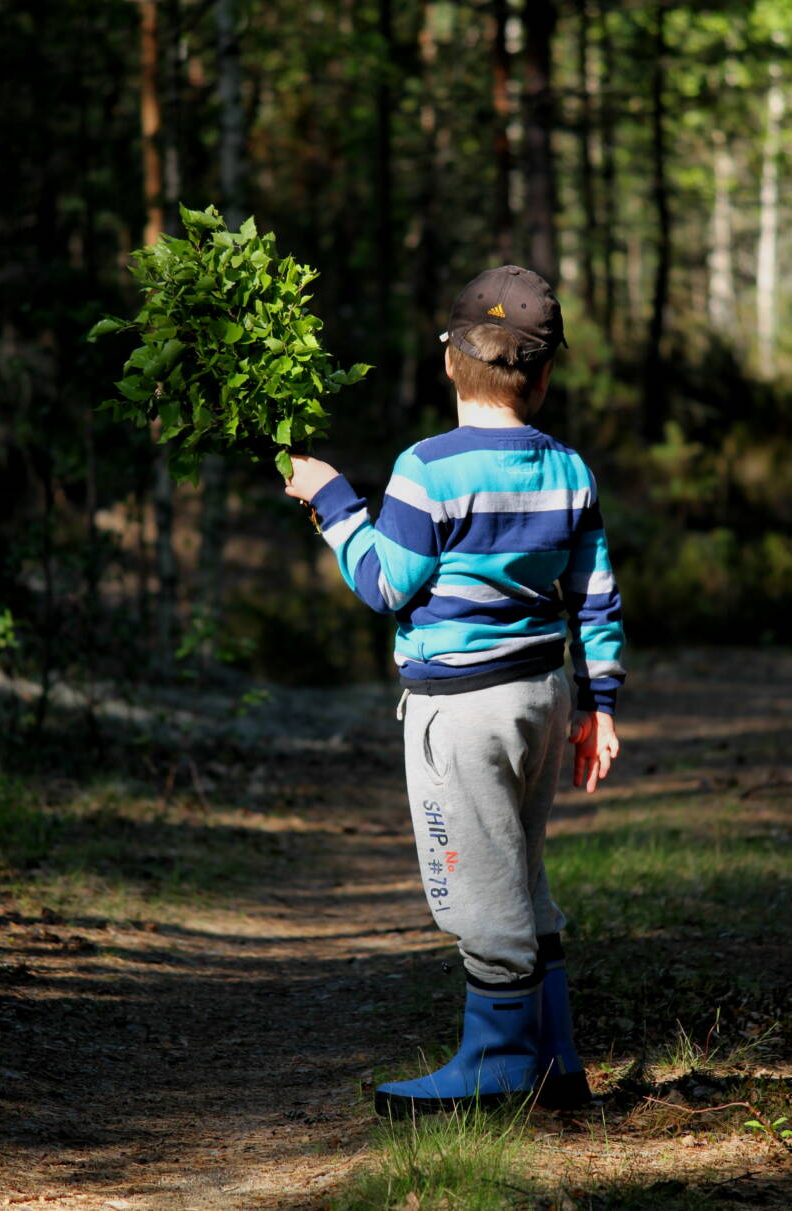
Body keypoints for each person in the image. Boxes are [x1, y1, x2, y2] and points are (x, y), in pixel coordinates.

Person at [284, 265, 625, 1118]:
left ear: (448, 360)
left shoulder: (423, 468)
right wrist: (602, 703)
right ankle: (556, 1056)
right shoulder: (568, 467)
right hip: (542, 698)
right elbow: (595, 592)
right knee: (521, 868)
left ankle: (498, 1062)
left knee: (475, 884)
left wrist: (333, 503)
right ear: (544, 375)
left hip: (459, 711)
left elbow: (383, 583)